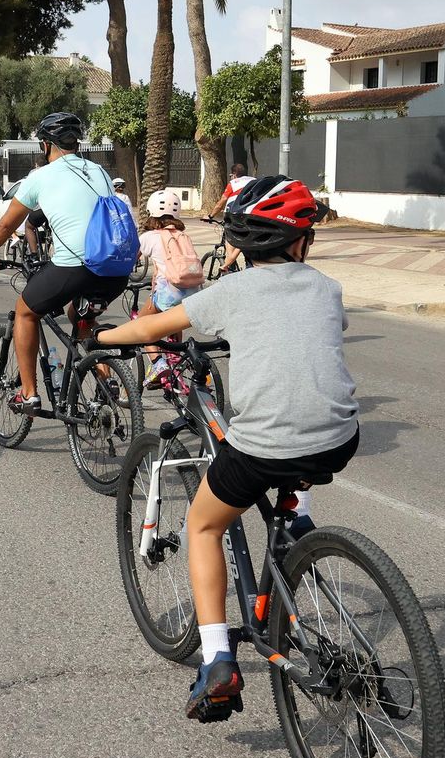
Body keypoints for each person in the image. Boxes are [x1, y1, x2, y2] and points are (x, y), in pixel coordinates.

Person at [93, 176, 357, 721]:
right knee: (298, 454)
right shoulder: (327, 288)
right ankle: (296, 520)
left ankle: (216, 658)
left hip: (264, 448)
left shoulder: (228, 294)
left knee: (204, 524)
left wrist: (97, 340)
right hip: (340, 438)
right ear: (302, 243)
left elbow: (152, 331)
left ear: (239, 244)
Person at [0, 112, 129, 413]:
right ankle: (104, 378)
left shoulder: (40, 177)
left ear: (45, 146)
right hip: (117, 268)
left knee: (25, 312)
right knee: (79, 315)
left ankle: (29, 393)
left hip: (76, 265)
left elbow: (7, 225)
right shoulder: (99, 171)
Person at [132, 189, 206, 385]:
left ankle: (157, 363)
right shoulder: (183, 235)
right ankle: (177, 359)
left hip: (168, 292)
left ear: (152, 212)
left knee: (141, 325)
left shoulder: (150, 236)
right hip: (192, 291)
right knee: (174, 322)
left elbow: (131, 259)